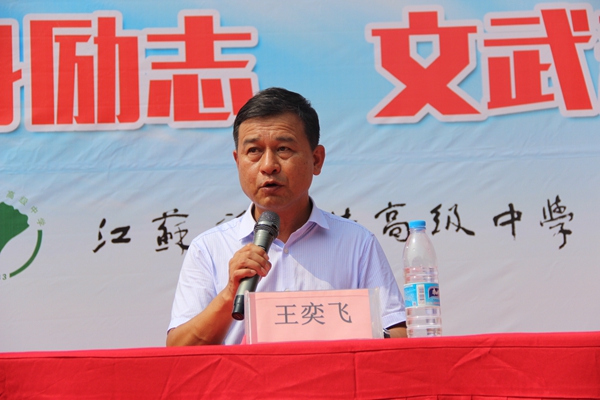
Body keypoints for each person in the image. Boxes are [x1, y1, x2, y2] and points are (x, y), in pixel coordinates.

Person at [167, 87, 406, 346]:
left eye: (283, 149)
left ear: (316, 160)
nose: (268, 165)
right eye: (254, 151)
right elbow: (178, 351)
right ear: (237, 161)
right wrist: (229, 294)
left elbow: (399, 336)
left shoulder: (356, 243)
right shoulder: (209, 248)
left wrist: (343, 329)